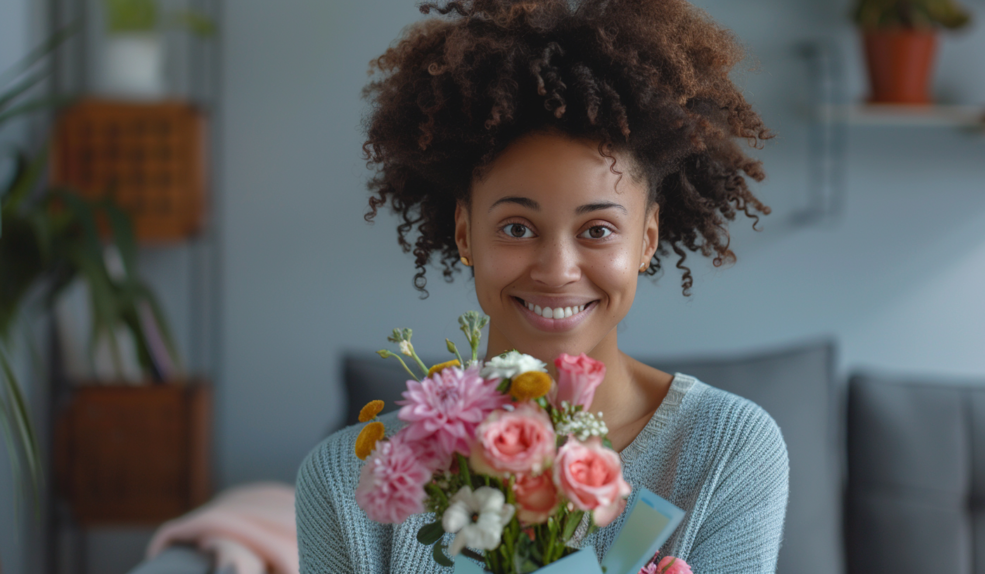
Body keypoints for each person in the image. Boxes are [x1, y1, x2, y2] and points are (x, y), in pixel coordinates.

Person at [295, 0, 788, 572]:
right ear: (464, 233)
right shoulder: (347, 481)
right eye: (516, 227)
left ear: (647, 240)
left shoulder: (728, 451)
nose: (557, 270)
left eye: (598, 230)